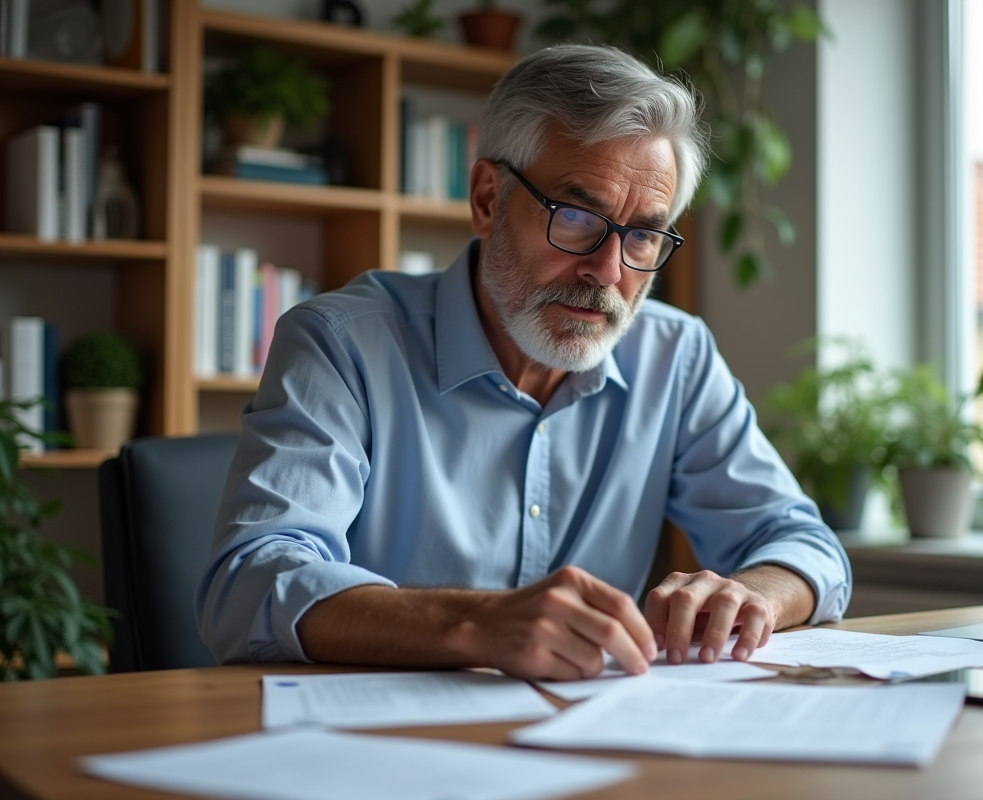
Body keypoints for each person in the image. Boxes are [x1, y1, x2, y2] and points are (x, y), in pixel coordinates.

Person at [195, 44, 851, 681]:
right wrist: (476, 624)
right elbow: (251, 585)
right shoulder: (343, 344)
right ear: (487, 199)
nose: (606, 270)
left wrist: (756, 594)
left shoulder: (674, 356)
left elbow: (803, 544)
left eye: (644, 234)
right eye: (575, 217)